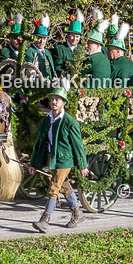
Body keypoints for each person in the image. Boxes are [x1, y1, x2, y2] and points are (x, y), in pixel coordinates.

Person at [29, 86, 89, 232]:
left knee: (54, 187)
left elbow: (77, 145)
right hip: (52, 159)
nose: (54, 102)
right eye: (52, 99)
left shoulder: (70, 122)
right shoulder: (46, 120)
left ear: (63, 103)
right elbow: (39, 143)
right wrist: (34, 164)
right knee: (64, 186)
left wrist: (82, 165)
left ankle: (45, 219)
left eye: (58, 99)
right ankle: (77, 212)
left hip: (64, 160)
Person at [52, 8, 85, 75]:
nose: (74, 39)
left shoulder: (81, 49)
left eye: (77, 37)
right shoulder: (60, 49)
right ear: (67, 35)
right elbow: (58, 67)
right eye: (72, 36)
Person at [80, 19, 112, 88]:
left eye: (89, 43)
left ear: (98, 45)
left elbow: (78, 74)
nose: (86, 46)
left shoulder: (91, 59)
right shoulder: (106, 59)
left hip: (89, 96)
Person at [24, 14, 55, 82]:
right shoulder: (30, 51)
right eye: (39, 38)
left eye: (44, 38)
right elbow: (29, 72)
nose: (42, 41)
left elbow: (52, 70)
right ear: (34, 38)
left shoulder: (47, 52)